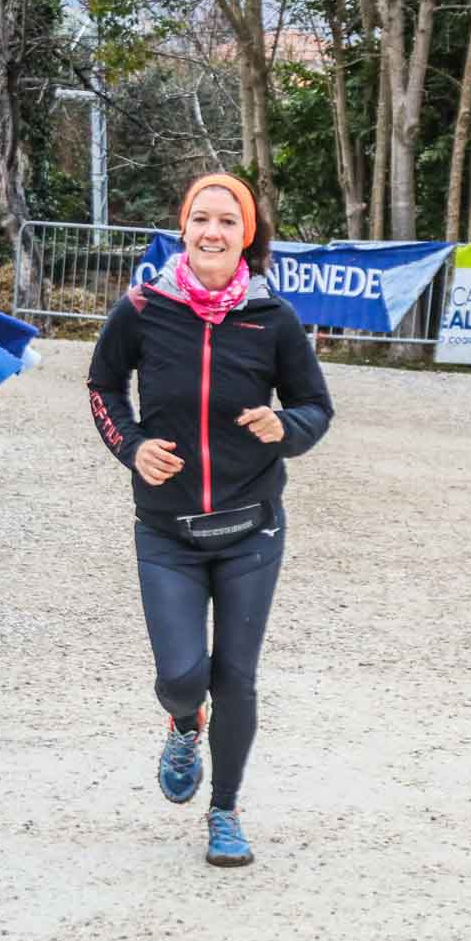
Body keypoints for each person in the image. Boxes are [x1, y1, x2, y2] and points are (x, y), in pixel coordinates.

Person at [87, 172, 333, 867]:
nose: (213, 232)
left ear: (246, 234)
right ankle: (181, 720)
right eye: (201, 218)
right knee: (182, 676)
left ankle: (224, 811)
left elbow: (316, 407)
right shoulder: (143, 308)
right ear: (184, 227)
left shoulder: (273, 318)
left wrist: (285, 427)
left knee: (236, 678)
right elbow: (103, 385)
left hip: (252, 529)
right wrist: (132, 447)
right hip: (167, 532)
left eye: (228, 221)